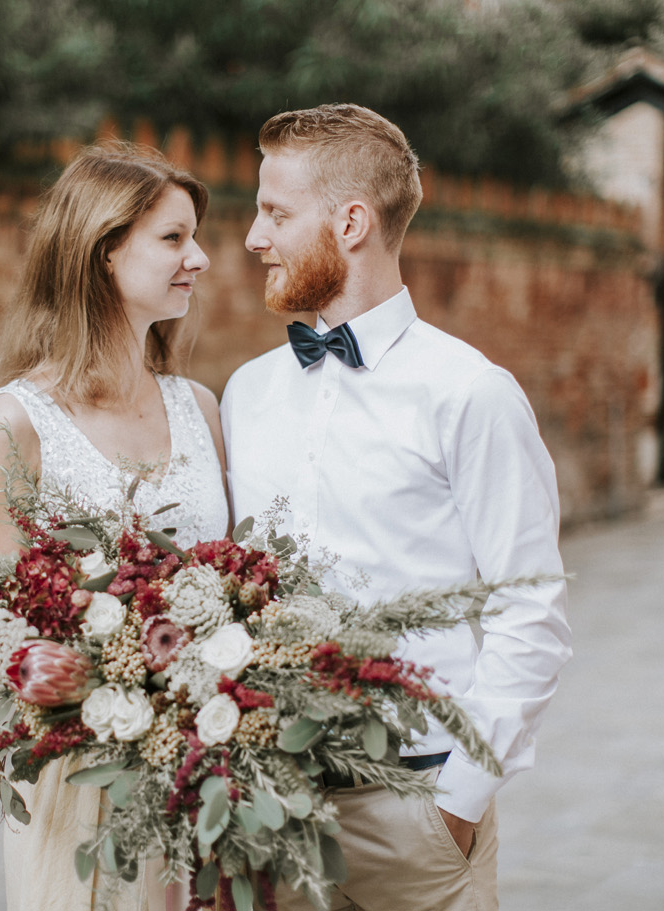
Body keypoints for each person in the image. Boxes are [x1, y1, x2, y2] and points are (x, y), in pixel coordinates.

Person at [220, 104, 571, 911]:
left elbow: (532, 611)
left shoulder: (471, 394)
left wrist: (457, 804)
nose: (252, 238)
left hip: (418, 803)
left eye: (275, 212)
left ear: (351, 222)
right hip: (271, 804)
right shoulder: (247, 392)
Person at [0, 143, 229, 911]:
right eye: (174, 238)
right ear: (105, 250)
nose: (201, 258)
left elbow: (239, 581)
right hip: (81, 773)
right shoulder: (19, 419)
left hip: (204, 761)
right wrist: (91, 680)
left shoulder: (199, 407)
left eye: (194, 237)